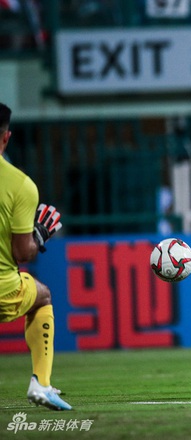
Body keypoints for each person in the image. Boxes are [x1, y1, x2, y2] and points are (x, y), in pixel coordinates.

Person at [0, 103, 72, 410]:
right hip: (3, 289)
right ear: (6, 138)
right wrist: (39, 235)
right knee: (42, 295)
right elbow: (22, 252)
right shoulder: (20, 185)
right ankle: (41, 384)